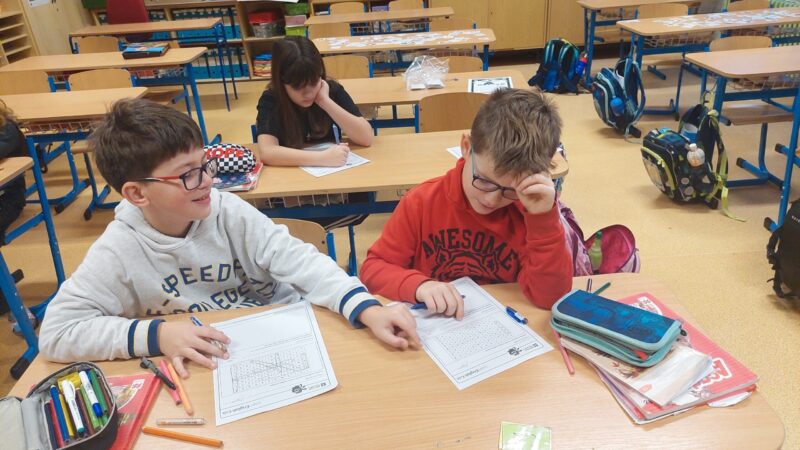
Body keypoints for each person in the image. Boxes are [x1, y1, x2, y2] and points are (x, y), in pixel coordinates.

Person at [38, 99, 419, 378]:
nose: (207, 180)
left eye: (205, 164)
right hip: (210, 366)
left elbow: (299, 260)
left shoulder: (226, 210)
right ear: (138, 194)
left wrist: (367, 308)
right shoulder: (119, 249)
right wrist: (157, 335)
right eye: (188, 174)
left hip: (283, 337)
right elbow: (57, 333)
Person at [360, 89, 573, 319]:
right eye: (484, 180)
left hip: (504, 325)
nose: (491, 200)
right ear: (466, 146)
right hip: (435, 325)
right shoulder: (421, 202)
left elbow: (550, 298)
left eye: (510, 190)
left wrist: (543, 219)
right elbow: (373, 270)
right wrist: (419, 286)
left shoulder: (528, 210)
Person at [255, 36, 373, 231]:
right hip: (293, 190)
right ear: (281, 81)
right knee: (287, 222)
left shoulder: (331, 90)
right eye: (297, 87)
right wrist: (322, 158)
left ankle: (309, 236)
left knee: (363, 205)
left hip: (333, 186)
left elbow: (366, 137)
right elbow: (267, 152)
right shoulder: (272, 100)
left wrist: (325, 101)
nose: (308, 93)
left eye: (313, 82)